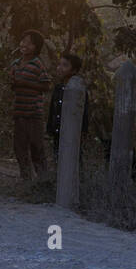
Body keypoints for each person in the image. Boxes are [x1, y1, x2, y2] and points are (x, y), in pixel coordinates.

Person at [10, 29, 51, 180]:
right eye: (23, 41)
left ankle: (43, 179)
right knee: (19, 147)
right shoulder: (15, 64)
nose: (24, 44)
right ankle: (26, 179)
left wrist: (26, 83)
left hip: (34, 113)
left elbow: (46, 86)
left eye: (28, 42)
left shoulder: (38, 64)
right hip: (19, 111)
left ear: (36, 47)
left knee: (36, 147)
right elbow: (13, 86)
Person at [46, 52, 89, 156]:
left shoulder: (79, 90)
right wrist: (50, 128)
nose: (60, 68)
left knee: (72, 158)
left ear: (74, 70)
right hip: (58, 131)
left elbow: (85, 112)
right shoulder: (58, 88)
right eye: (59, 64)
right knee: (58, 156)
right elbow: (53, 109)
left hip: (72, 133)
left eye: (65, 65)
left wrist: (83, 131)